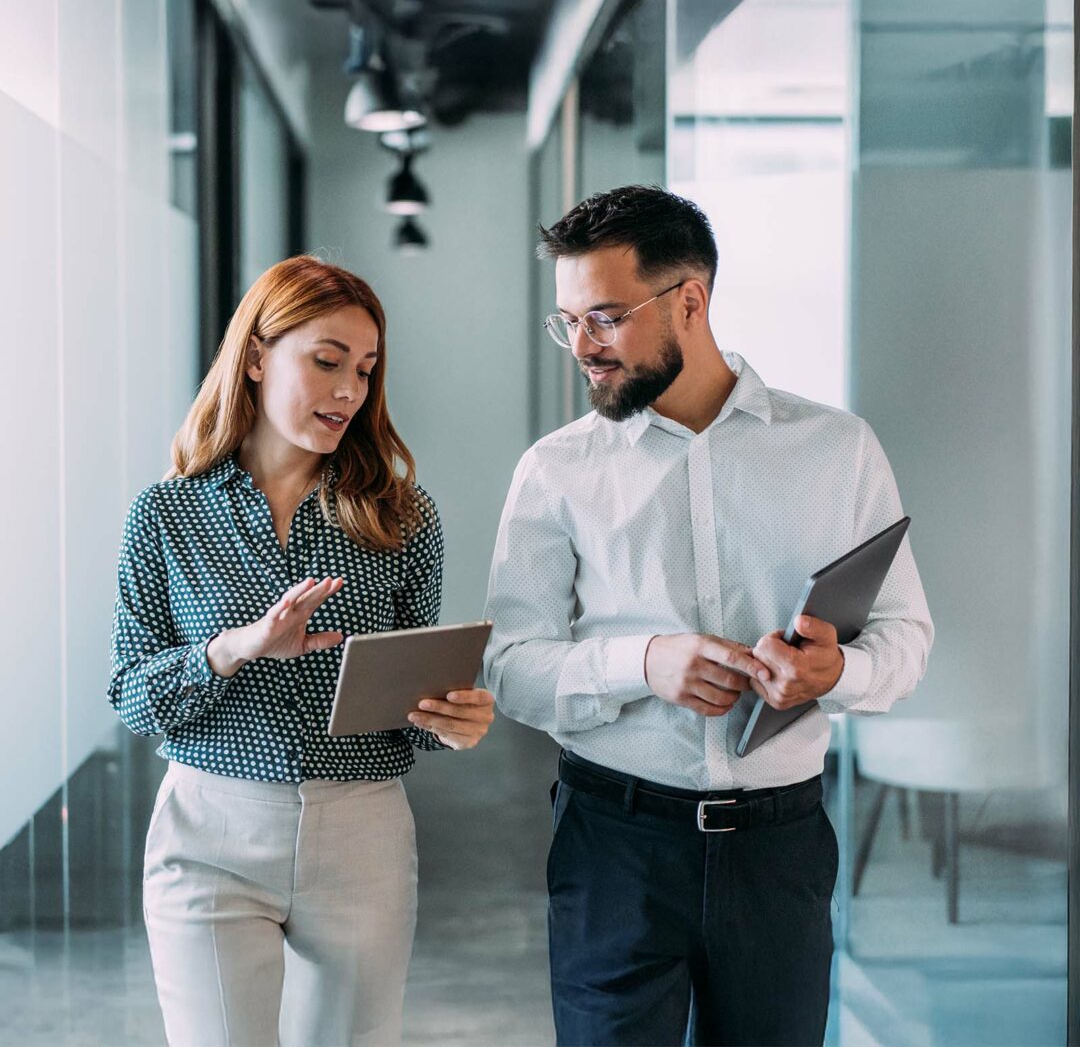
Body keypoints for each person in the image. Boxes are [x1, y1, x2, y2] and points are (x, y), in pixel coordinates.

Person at [483, 186, 933, 1047]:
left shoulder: (837, 450)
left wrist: (836, 672)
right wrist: (643, 663)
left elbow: (907, 637)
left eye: (605, 318)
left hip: (781, 849)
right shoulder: (556, 470)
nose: (582, 346)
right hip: (612, 846)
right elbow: (511, 667)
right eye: (568, 321)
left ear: (690, 300)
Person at [109, 255, 495, 1047]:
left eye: (364, 368)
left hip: (361, 835)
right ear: (256, 356)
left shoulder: (402, 516)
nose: (350, 390)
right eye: (326, 362)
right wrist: (233, 648)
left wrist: (450, 718)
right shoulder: (166, 514)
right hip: (208, 829)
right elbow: (131, 695)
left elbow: (409, 713)